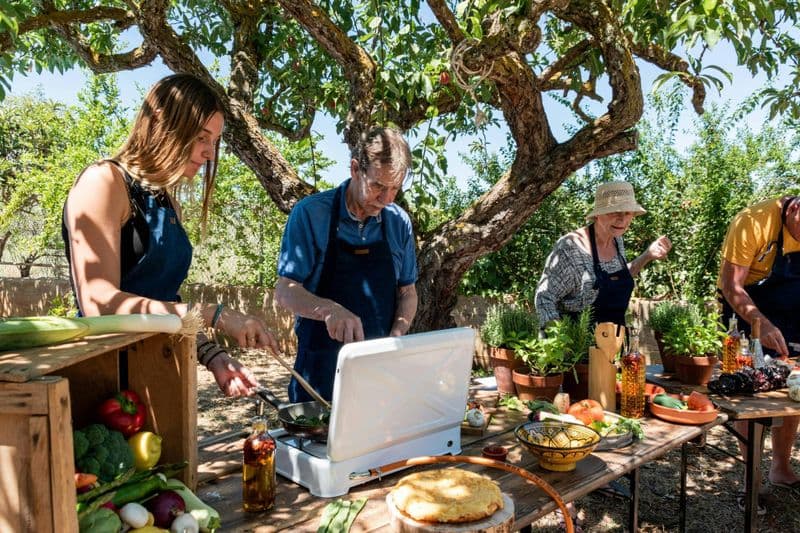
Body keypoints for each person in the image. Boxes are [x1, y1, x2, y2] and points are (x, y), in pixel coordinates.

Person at [62, 73, 279, 397]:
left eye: (214, 142)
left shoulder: (168, 204)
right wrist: (215, 315)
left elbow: (165, 304)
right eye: (202, 137)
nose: (209, 153)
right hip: (105, 385)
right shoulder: (103, 182)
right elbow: (99, 304)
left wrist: (214, 356)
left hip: (160, 378)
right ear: (162, 123)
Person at [275, 127, 418, 403]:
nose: (387, 199)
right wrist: (328, 309)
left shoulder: (399, 223)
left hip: (380, 377)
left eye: (395, 189)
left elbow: (407, 291)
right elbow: (284, 290)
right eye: (378, 186)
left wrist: (397, 336)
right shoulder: (310, 214)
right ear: (355, 169)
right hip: (319, 378)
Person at [718, 195, 800, 507]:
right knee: (750, 392)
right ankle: (750, 480)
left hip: (790, 311)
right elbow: (731, 286)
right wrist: (761, 325)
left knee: (793, 388)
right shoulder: (753, 221)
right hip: (745, 306)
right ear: (794, 209)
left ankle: (780, 468)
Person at [535, 181, 672, 328]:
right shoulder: (571, 248)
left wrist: (647, 255)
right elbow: (544, 298)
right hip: (576, 344)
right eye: (615, 212)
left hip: (613, 341)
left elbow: (617, 275)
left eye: (627, 213)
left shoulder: (616, 239)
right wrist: (560, 343)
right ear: (598, 215)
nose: (622, 219)